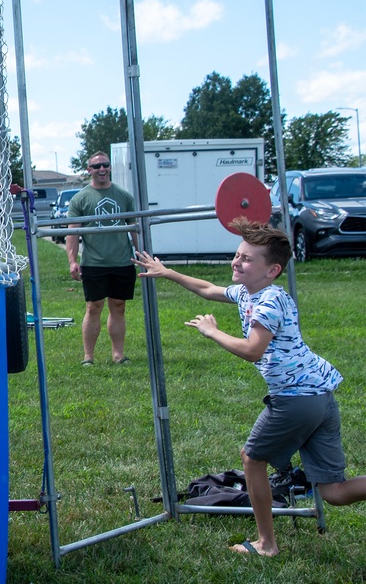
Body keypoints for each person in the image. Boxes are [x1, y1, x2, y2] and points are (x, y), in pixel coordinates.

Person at [133, 217, 366, 558]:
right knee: (334, 491)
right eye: (237, 254)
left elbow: (253, 349)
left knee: (252, 460)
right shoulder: (248, 291)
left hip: (295, 399)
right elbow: (209, 289)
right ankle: (266, 540)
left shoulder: (268, 302)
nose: (236, 261)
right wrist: (168, 273)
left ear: (272, 270)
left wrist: (212, 332)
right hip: (320, 395)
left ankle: (266, 544)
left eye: (246, 258)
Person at [65, 151, 138, 366]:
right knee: (93, 307)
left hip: (122, 262)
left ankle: (118, 355)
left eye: (105, 165)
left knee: (119, 306)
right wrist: (72, 261)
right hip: (94, 263)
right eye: (96, 166)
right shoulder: (80, 199)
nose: (102, 169)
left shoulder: (124, 197)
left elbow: (135, 229)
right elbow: (72, 233)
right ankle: (88, 357)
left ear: (110, 167)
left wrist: (143, 256)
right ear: (89, 170)